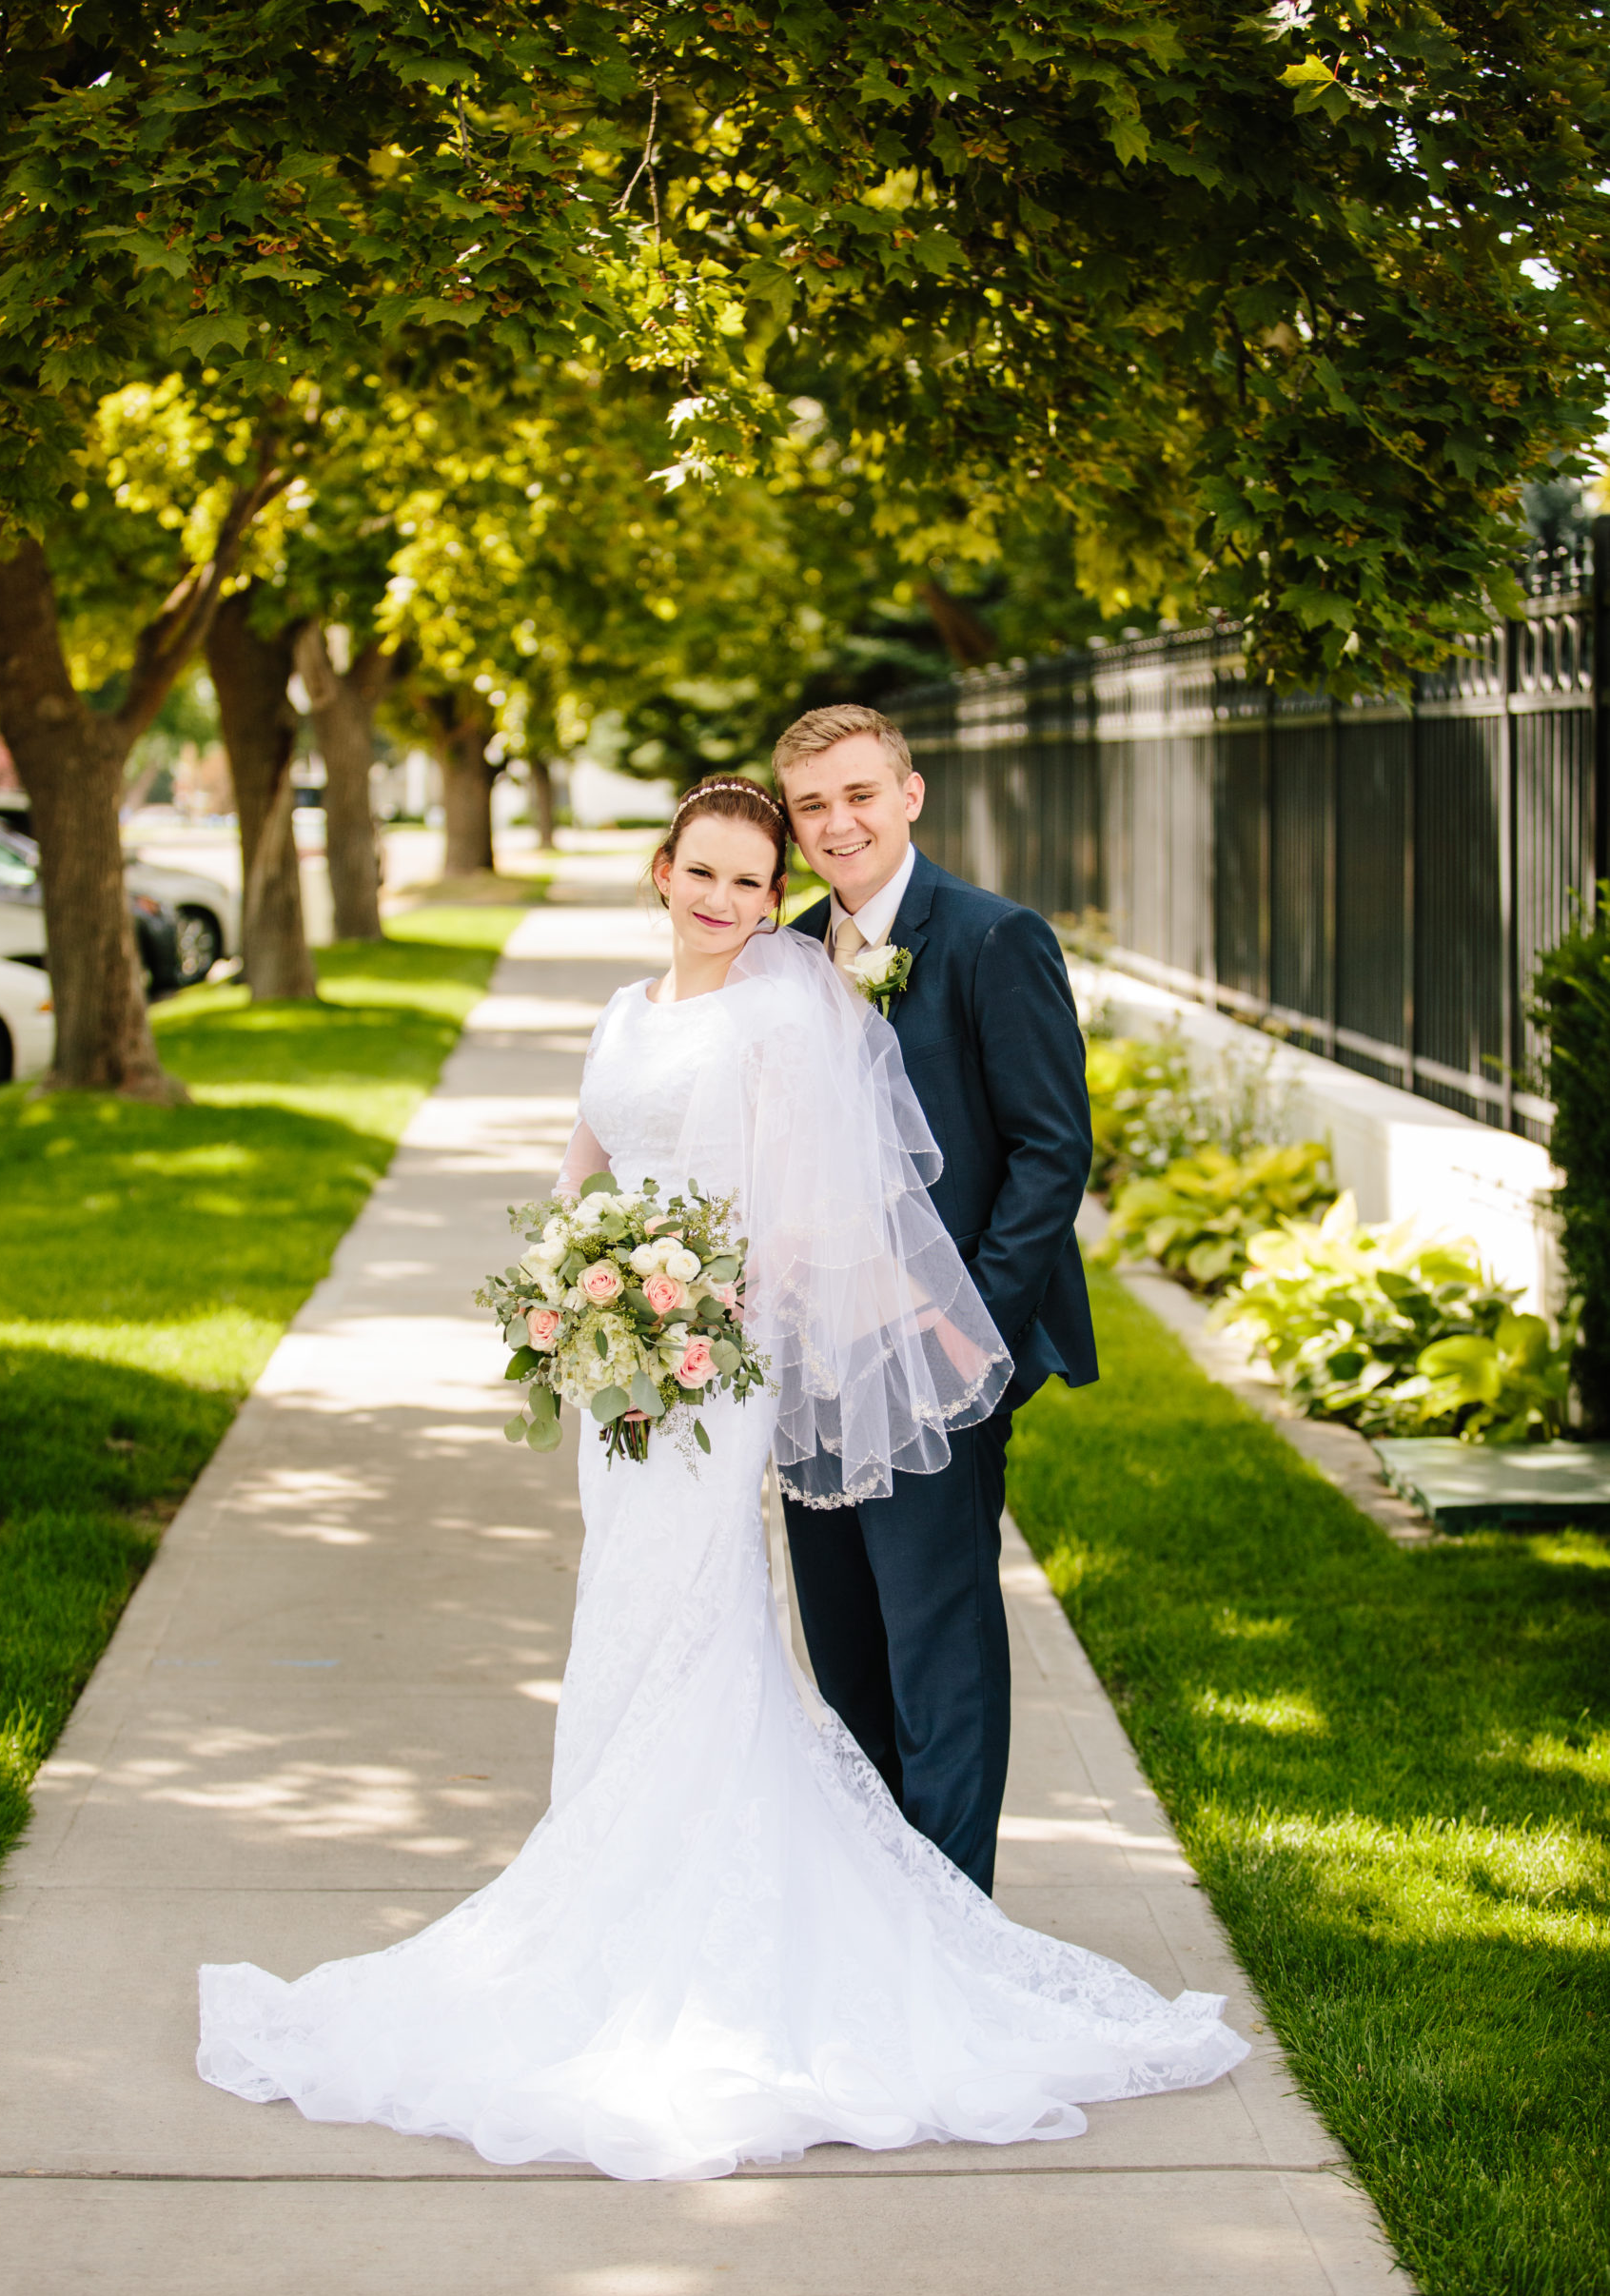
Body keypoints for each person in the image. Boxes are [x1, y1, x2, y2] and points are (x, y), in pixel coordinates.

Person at [197, 775, 1247, 2183]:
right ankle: (606, 1895)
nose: (722, 899)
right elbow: (584, 1164)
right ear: (661, 869)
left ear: (770, 902)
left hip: (710, 1375)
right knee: (620, 1622)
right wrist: (562, 1293)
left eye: (751, 882)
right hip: (614, 1378)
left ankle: (746, 1933)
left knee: (705, 1625)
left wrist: (747, 1314)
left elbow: (817, 1207)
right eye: (704, 871)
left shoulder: (782, 1009)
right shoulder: (625, 1015)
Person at [776, 705, 1095, 1895]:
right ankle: (875, 1915)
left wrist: (971, 1327)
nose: (838, 822)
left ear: (910, 794)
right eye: (814, 805)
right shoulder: (793, 956)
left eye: (860, 794)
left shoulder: (993, 940)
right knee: (846, 1655)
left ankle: (952, 1934)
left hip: (937, 1363)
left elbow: (1051, 1152)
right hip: (814, 1365)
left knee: (940, 1658)